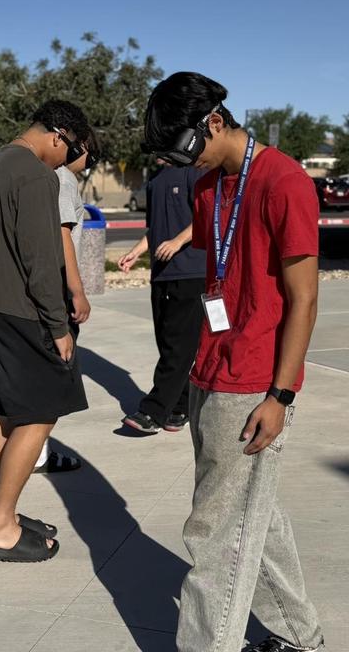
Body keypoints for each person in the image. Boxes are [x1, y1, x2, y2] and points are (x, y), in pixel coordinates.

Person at [143, 72, 325, 652]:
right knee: (254, 519)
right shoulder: (207, 184)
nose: (179, 163)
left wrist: (281, 395)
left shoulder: (284, 180)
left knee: (215, 533)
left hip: (253, 384)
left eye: (181, 149)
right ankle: (301, 637)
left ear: (214, 123)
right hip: (210, 367)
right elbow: (222, 262)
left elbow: (304, 298)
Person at [0, 99, 91, 562]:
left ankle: (1, 513)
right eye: (73, 148)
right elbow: (42, 260)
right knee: (39, 415)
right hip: (22, 310)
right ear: (58, 135)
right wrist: (58, 325)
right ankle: (0, 528)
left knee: (7, 412)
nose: (70, 159)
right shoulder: (38, 176)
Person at [118, 160, 206, 434]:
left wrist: (178, 241)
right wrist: (137, 251)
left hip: (192, 272)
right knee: (168, 344)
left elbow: (206, 215)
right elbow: (155, 228)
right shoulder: (156, 179)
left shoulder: (196, 172)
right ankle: (180, 407)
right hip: (161, 274)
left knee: (180, 346)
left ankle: (153, 411)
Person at [33, 129, 99, 474]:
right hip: (59, 288)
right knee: (57, 377)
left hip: (47, 286)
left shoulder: (44, 176)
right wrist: (77, 291)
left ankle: (35, 451)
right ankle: (38, 454)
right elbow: (62, 237)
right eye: (91, 153)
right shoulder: (64, 179)